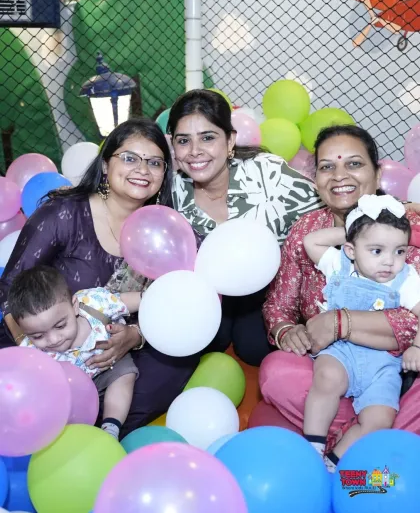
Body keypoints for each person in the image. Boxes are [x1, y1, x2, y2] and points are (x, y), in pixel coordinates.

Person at [0, 118, 199, 438]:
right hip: (42, 342)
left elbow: (170, 300)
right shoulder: (64, 213)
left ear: (164, 174)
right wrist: (37, 359)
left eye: (154, 163)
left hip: (113, 352)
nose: (143, 170)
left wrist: (135, 335)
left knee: (175, 364)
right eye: (130, 158)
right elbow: (10, 290)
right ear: (106, 165)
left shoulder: (165, 230)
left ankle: (100, 430)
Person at [260, 124, 420, 449]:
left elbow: (412, 319)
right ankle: (366, 439)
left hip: (396, 372)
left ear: (377, 175)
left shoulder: (407, 229)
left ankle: (352, 436)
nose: (339, 175)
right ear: (316, 179)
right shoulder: (307, 231)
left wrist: (341, 323)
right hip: (331, 368)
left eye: (354, 164)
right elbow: (278, 305)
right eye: (327, 167)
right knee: (275, 372)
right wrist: (287, 330)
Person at [167, 89, 322, 366]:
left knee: (254, 347)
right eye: (183, 140)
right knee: (205, 341)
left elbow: (329, 201)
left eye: (208, 137)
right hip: (211, 288)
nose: (195, 151)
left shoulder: (266, 173)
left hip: (270, 284)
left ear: (230, 141)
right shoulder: (172, 190)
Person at [302, 194, 420, 471]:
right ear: (351, 250)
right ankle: (312, 448)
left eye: (399, 251)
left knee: (380, 419)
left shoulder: (406, 279)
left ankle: (334, 463)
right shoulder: (339, 263)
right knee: (328, 377)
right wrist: (357, 231)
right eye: (377, 250)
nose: (389, 261)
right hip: (341, 352)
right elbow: (311, 241)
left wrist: (417, 346)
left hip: (384, 364)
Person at [9, 265, 142, 440]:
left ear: (75, 306)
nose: (53, 339)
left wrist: (149, 298)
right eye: (38, 336)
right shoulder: (30, 352)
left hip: (107, 367)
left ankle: (111, 426)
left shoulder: (93, 303)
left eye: (60, 326)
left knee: (125, 373)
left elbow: (124, 300)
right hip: (71, 390)